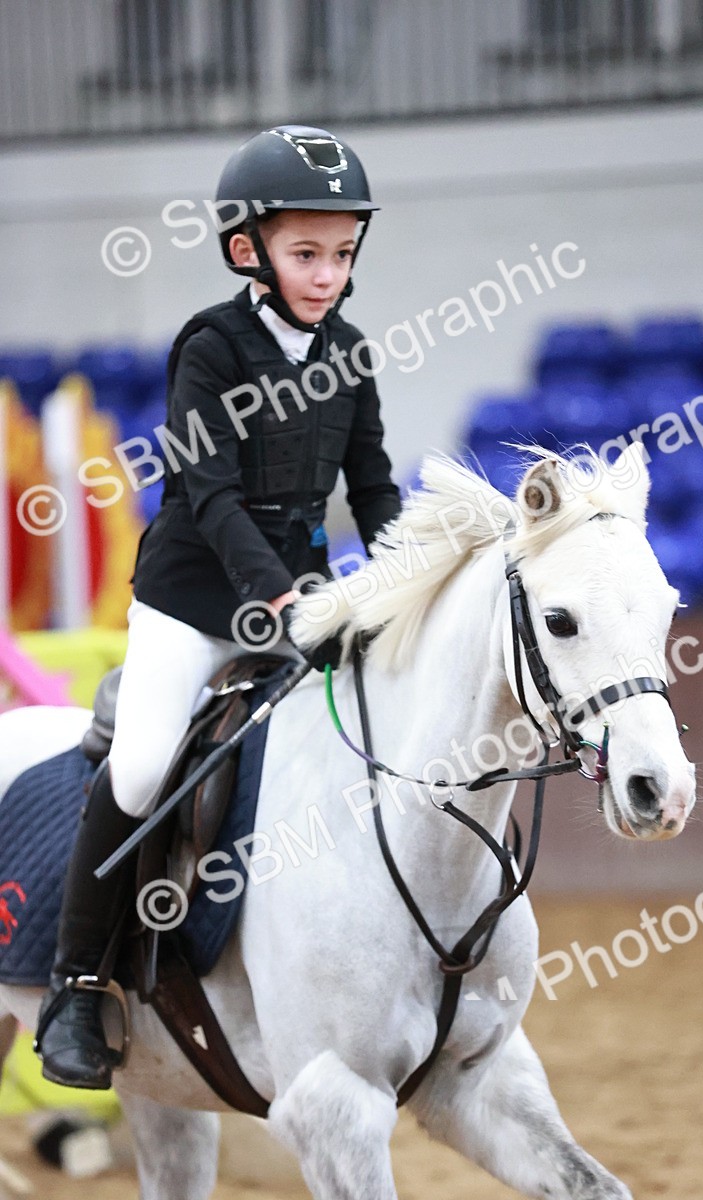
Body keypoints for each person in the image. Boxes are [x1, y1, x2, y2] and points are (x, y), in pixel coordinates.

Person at [35, 125, 402, 1089]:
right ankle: (77, 987)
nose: (327, 274)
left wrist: (401, 573)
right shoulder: (210, 347)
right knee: (149, 760)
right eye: (306, 253)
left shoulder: (353, 354)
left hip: (301, 597)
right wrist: (276, 594)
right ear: (251, 250)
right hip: (195, 597)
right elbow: (209, 493)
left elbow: (371, 486)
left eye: (341, 254)